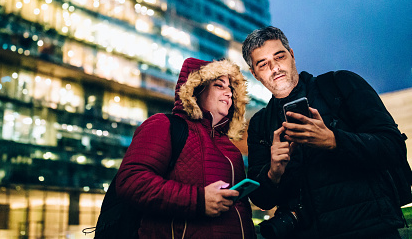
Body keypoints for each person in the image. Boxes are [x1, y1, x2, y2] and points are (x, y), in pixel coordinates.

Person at [241, 26, 405, 239]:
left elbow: (393, 147)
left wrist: (333, 140)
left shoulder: (341, 84)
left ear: (292, 55)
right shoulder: (259, 124)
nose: (274, 68)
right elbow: (262, 200)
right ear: (254, 74)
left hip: (370, 230)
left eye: (279, 56)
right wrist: (274, 172)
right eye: (263, 64)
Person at [116, 57, 257, 238]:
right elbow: (131, 181)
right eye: (219, 85)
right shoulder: (164, 125)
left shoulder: (231, 149)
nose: (229, 93)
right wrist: (198, 200)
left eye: (231, 88)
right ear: (197, 88)